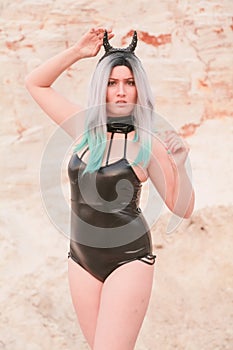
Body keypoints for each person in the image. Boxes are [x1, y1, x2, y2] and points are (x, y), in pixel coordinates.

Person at [25, 27, 195, 350]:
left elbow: (182, 207)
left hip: (128, 259)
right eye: (112, 83)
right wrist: (76, 52)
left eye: (129, 83)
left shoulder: (148, 143)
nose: (120, 91)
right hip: (81, 260)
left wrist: (181, 166)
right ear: (101, 88)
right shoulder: (83, 127)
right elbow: (35, 82)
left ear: (138, 90)